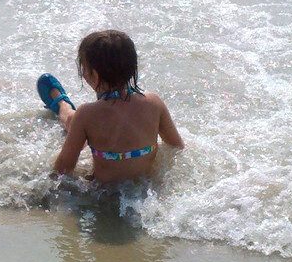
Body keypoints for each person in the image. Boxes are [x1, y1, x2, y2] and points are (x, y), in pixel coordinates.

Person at [37, 30, 183, 184]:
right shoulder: (154, 102)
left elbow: (63, 169)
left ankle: (62, 105)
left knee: (73, 119)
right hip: (143, 191)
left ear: (95, 75)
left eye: (84, 68)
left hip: (104, 193)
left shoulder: (87, 114)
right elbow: (176, 146)